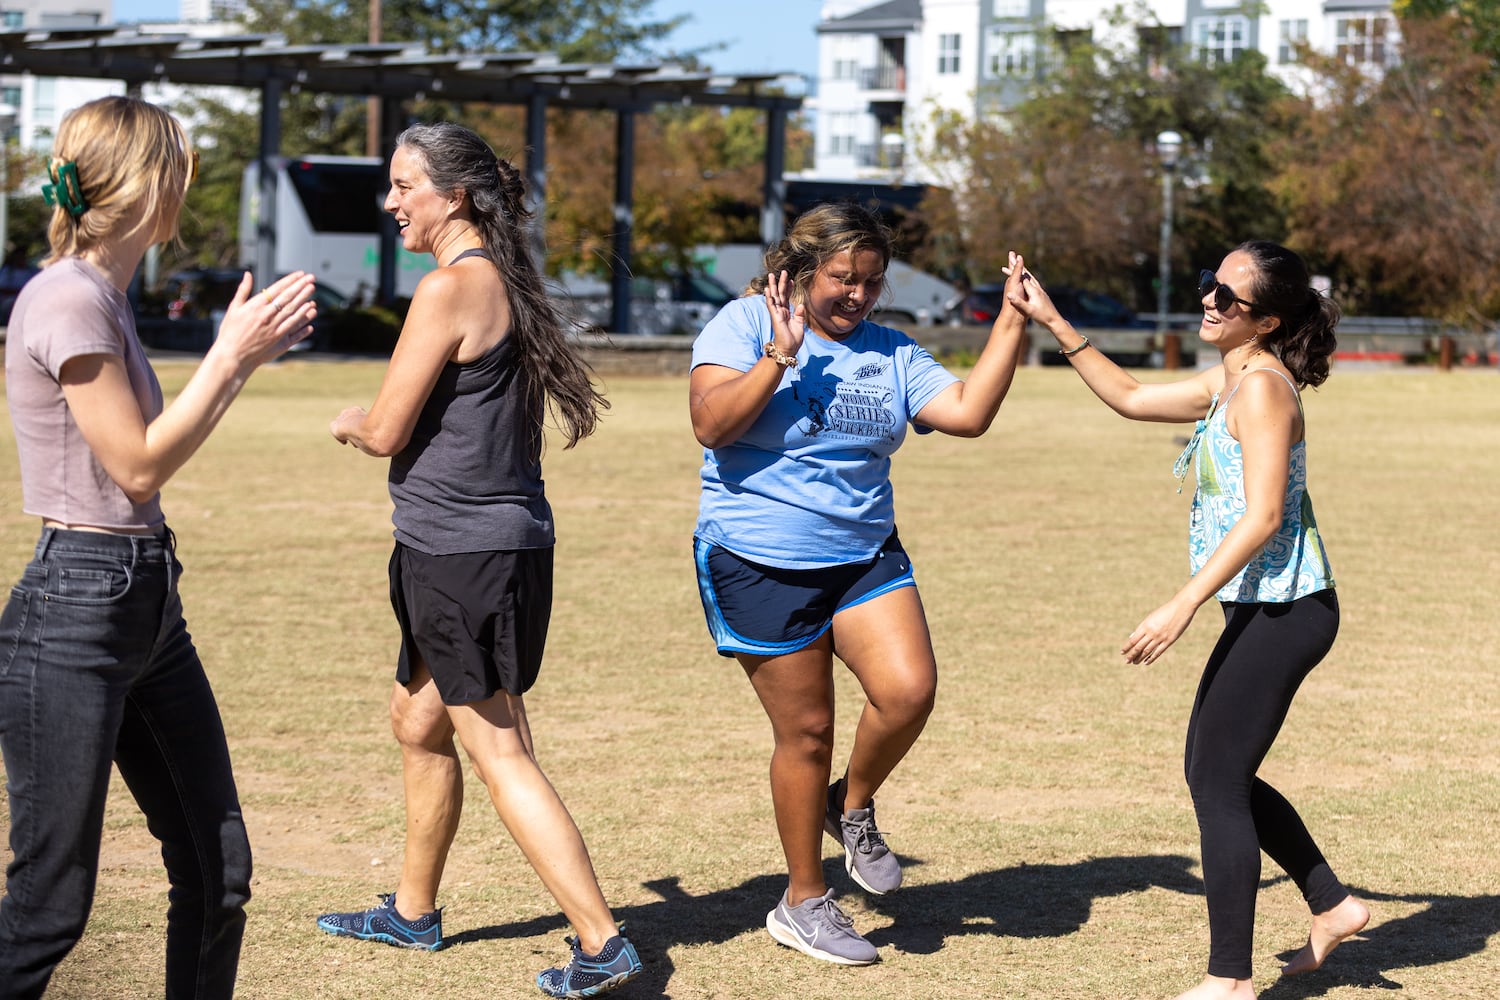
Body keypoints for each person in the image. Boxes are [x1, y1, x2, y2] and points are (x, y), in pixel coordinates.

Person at [0, 96, 317, 998]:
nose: (187, 183)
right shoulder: (67, 297)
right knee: (49, 906)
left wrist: (239, 362)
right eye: (178, 166)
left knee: (220, 874)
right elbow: (137, 465)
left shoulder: (103, 294)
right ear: (147, 182)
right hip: (74, 612)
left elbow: (151, 459)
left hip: (142, 605)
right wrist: (229, 356)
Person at [317, 122, 641, 999]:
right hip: (476, 549)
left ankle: (602, 940)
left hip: (463, 557)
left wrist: (347, 418)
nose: (391, 203)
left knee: (499, 749)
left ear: (452, 196)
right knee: (417, 722)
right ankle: (414, 913)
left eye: (403, 186)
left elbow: (385, 428)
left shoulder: (450, 288)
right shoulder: (504, 280)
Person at [1006, 241, 1370, 1000]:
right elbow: (1133, 398)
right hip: (1264, 606)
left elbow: (1266, 514)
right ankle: (1333, 905)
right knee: (1217, 772)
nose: (1209, 299)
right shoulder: (1228, 378)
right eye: (1210, 283)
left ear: (1265, 320)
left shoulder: (1265, 389)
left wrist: (1183, 602)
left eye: (1226, 296)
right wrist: (1053, 321)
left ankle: (1229, 981)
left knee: (1216, 780)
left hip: (1291, 608)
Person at [688, 202, 1029, 965]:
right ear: (802, 271)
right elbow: (711, 427)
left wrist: (1010, 322)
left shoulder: (892, 351)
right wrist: (779, 355)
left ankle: (852, 804)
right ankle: (804, 901)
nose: (857, 296)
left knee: (909, 691)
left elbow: (967, 413)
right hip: (759, 558)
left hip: (864, 555)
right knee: (806, 732)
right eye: (843, 279)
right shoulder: (742, 325)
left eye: (871, 283)